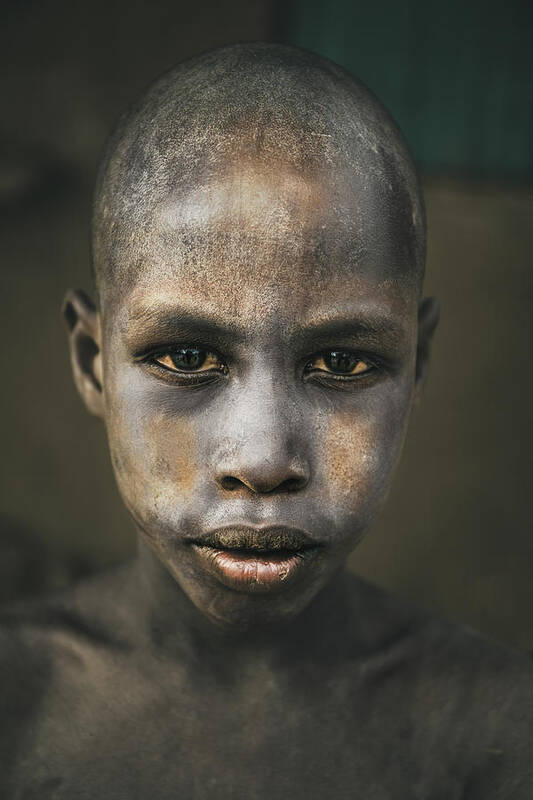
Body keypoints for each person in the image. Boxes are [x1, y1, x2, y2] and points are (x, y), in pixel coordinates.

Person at [1, 43, 531, 799]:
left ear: (415, 366)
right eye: (186, 356)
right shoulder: (16, 708)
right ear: (92, 362)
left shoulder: (503, 739)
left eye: (342, 363)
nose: (261, 459)